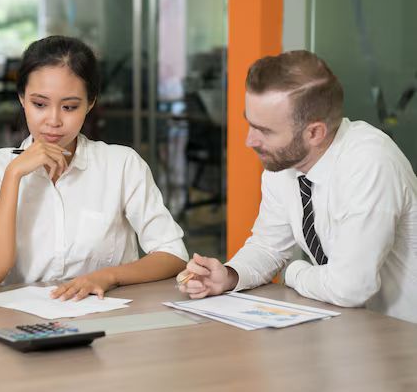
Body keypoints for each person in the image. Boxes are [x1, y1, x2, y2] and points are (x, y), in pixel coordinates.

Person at [178, 50, 417, 323]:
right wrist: (229, 276)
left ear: (314, 133)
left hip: (404, 336)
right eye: (250, 124)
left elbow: (351, 287)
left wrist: (294, 272)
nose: (249, 141)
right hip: (350, 328)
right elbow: (268, 247)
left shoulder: (370, 162)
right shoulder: (284, 163)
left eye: (265, 131)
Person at [0, 35, 188, 300]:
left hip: (108, 321)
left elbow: (173, 254)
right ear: (21, 98)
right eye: (39, 104)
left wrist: (108, 276)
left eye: (70, 107)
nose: (53, 120)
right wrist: (14, 175)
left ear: (90, 103)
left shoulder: (121, 165)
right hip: (26, 325)